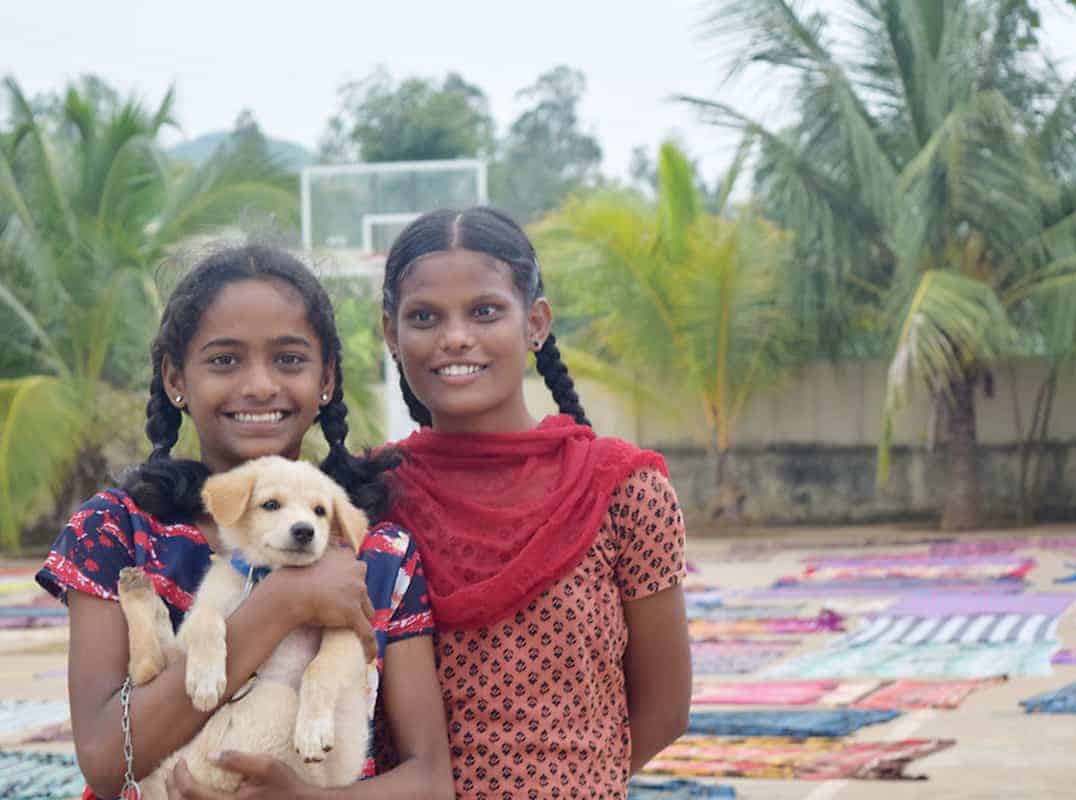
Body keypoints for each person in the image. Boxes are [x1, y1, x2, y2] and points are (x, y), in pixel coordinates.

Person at [35, 246, 454, 800]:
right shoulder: (119, 533)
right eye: (224, 360)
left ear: (326, 377)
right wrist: (283, 603)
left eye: (289, 359)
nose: (259, 385)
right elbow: (109, 760)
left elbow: (430, 781)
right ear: (175, 378)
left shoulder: (376, 551)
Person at [378, 207, 693, 799]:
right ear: (391, 334)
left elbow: (665, 709)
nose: (455, 337)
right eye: (424, 317)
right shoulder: (366, 496)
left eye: (485, 311)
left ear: (536, 323)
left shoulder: (621, 489)